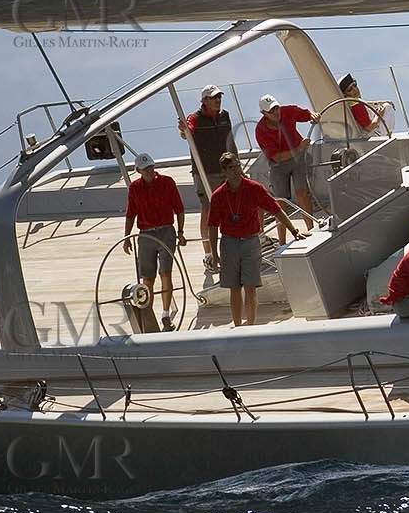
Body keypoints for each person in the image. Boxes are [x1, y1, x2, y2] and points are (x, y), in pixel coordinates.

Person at [209, 152, 300, 327]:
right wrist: (214, 254)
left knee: (250, 286)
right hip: (228, 243)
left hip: (251, 241)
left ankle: (250, 326)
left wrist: (294, 231)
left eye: (237, 166)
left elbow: (276, 209)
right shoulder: (218, 196)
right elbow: (212, 226)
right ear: (224, 172)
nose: (236, 171)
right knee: (234, 288)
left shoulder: (254, 188)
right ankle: (237, 326)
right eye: (231, 168)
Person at [122, 153, 187, 331]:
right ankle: (147, 314)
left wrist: (180, 232)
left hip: (166, 231)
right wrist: (126, 237)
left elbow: (179, 208)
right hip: (145, 235)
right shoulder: (134, 188)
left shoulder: (167, 182)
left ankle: (165, 315)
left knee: (166, 273)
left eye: (151, 167)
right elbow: (130, 213)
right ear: (138, 171)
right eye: (145, 169)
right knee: (147, 278)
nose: (149, 171)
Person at [178, 84, 237, 273]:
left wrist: (237, 165)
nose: (217, 100)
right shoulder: (195, 118)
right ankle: (209, 254)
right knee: (208, 209)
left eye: (219, 97)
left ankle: (231, 245)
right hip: (205, 171)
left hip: (225, 169)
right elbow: (187, 129)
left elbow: (230, 140)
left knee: (230, 206)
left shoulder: (224, 116)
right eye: (213, 97)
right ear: (204, 101)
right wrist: (184, 130)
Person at [255, 95, 320, 231]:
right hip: (278, 165)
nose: (276, 112)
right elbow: (276, 157)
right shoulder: (260, 130)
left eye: (276, 108)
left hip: (299, 159)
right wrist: (298, 149)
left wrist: (313, 115)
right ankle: (282, 242)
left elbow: (305, 114)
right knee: (280, 201)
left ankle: (311, 229)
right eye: (271, 111)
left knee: (302, 193)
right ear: (264, 114)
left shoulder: (288, 111)